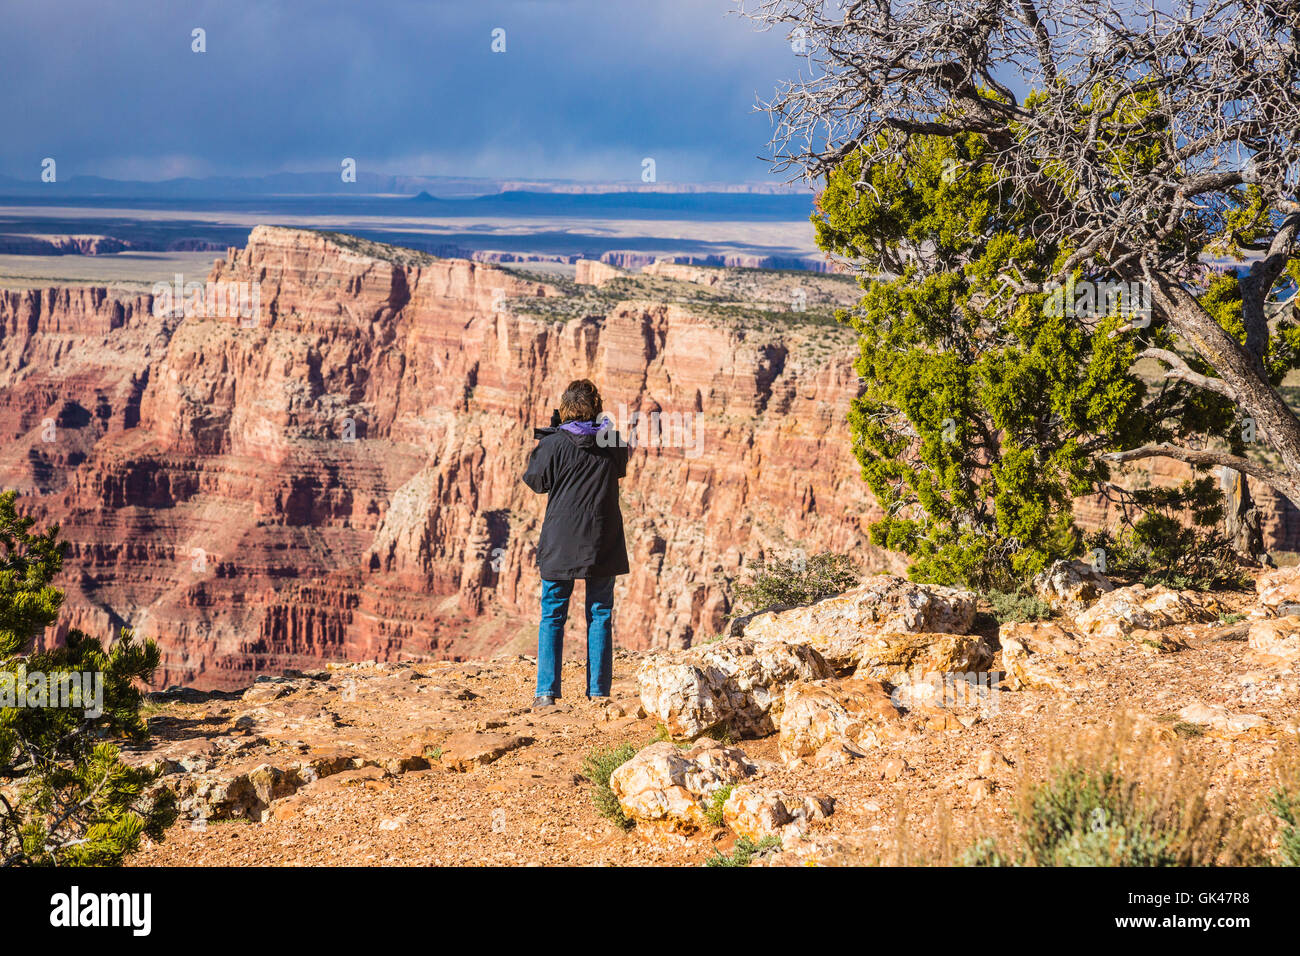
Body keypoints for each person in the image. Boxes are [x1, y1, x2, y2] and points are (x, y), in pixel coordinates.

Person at [522, 379, 629, 708]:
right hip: (601, 539)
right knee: (600, 614)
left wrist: (552, 437)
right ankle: (598, 694)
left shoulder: (554, 444)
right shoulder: (610, 439)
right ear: (596, 408)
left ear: (565, 409)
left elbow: (536, 481)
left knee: (553, 614)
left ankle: (546, 693)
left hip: (561, 542)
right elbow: (621, 465)